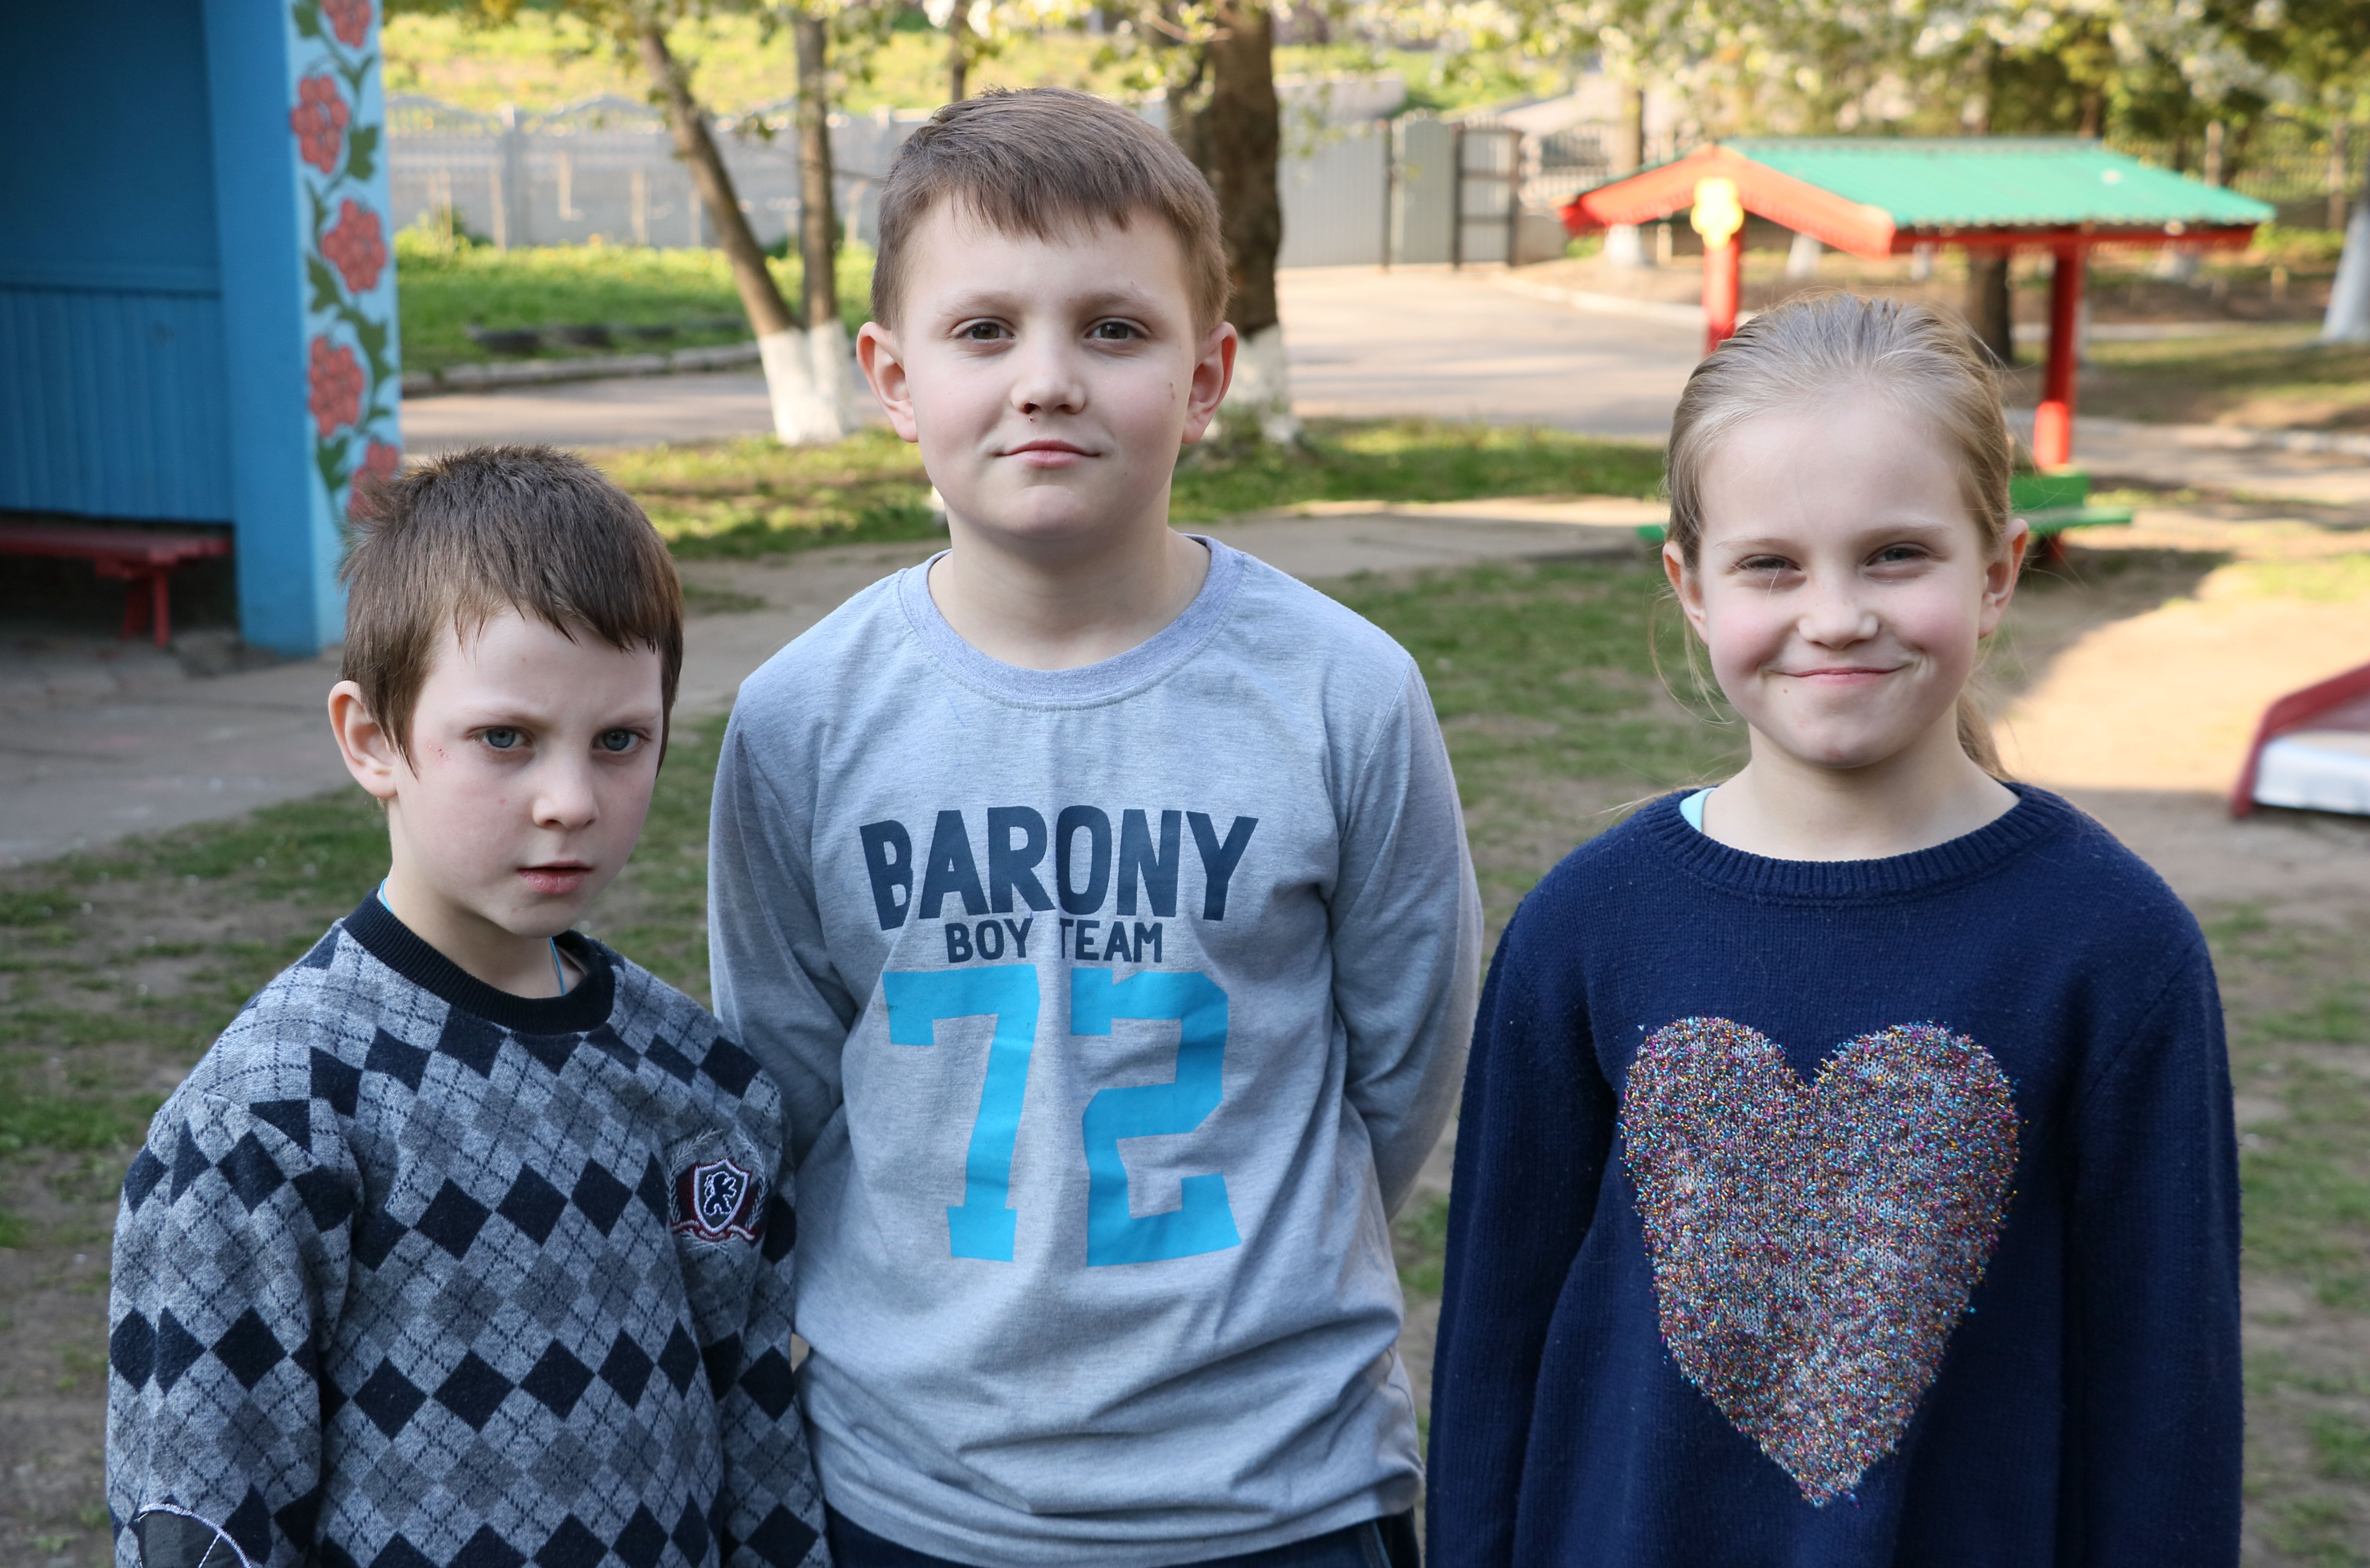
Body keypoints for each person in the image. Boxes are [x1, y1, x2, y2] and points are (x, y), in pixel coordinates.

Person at [707, 87, 1482, 1568]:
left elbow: (1399, 1070)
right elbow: (787, 1081)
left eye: (1114, 330)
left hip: (1278, 1489)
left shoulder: (1345, 694)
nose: (1048, 381)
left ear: (1206, 378)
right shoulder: (801, 718)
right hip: (913, 1494)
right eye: (984, 330)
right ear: (892, 377)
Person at [1425, 294, 2241, 1566]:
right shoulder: (1586, 927)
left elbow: (2165, 1401)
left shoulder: (2115, 948)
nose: (1838, 614)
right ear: (1692, 588)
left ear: (1999, 572)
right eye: (1772, 565)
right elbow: (1493, 1346)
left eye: (1896, 554)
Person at [105, 447, 829, 1568]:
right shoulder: (267, 1122)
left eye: (620, 740)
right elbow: (204, 1520)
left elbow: (765, 1468)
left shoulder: (707, 1087)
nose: (570, 801)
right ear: (372, 739)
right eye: (505, 738)